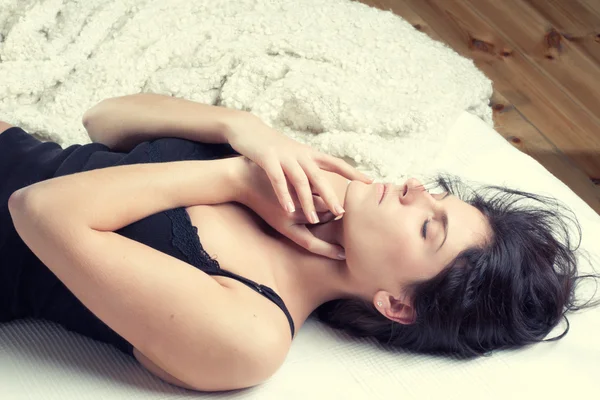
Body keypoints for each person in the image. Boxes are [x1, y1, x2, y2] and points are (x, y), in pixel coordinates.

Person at [0, 93, 594, 392]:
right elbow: (104, 121)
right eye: (435, 197)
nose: (413, 190)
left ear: (398, 304)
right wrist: (244, 129)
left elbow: (39, 209)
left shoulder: (251, 335)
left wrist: (235, 175)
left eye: (428, 226)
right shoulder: (303, 183)